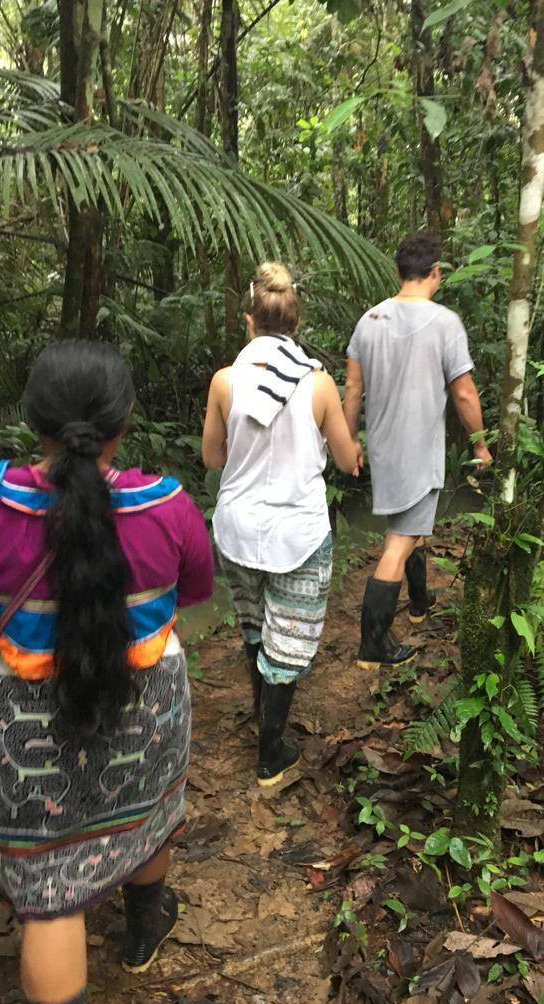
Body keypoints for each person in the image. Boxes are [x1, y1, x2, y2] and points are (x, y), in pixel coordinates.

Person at [0, 342, 214, 1004]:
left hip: (26, 728)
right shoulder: (169, 506)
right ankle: (144, 929)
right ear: (126, 420)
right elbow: (196, 595)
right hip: (146, 709)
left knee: (51, 896)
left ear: (35, 421)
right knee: (145, 823)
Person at [202, 262, 360, 787]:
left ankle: (261, 719)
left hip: (239, 529)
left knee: (254, 623)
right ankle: (271, 751)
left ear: (249, 322)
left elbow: (211, 458)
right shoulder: (318, 384)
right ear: (295, 324)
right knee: (288, 636)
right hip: (299, 531)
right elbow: (343, 459)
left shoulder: (225, 381)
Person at [343, 232, 491, 670]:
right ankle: (373, 644)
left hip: (384, 446)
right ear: (435, 274)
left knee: (413, 528)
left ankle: (420, 601)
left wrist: (351, 441)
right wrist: (481, 445)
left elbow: (352, 389)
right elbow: (463, 393)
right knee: (399, 541)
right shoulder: (445, 322)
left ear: (398, 273)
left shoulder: (369, 320)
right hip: (419, 448)